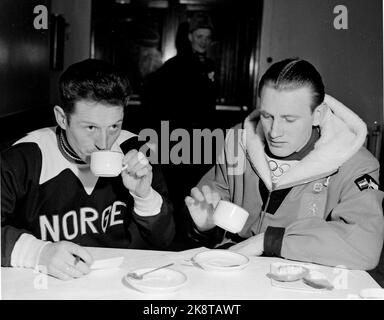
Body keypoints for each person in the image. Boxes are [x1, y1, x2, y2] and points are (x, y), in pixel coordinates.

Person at [185, 58, 384, 270]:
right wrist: (203, 228)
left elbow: (364, 246)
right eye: (267, 116)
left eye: (289, 119)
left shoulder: (355, 163)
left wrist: (269, 241)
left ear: (318, 114)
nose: (274, 131)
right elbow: (213, 216)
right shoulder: (238, 143)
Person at [1, 59, 175, 280]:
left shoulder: (136, 151)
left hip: (123, 283)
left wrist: (145, 196)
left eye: (114, 126)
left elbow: (163, 241)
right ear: (62, 118)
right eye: (91, 127)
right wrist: (39, 253)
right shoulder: (25, 157)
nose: (104, 142)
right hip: (49, 285)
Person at [141, 12, 217, 129]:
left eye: (207, 38)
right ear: (190, 37)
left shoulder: (210, 65)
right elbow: (150, 91)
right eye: (199, 37)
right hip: (180, 133)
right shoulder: (175, 64)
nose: (204, 42)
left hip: (204, 131)